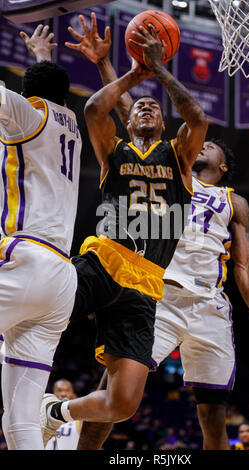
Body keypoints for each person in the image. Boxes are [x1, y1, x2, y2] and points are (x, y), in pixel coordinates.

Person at [55, 14, 249, 451]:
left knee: (214, 417)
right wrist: (113, 67)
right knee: (115, 387)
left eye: (210, 146)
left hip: (209, 304)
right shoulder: (167, 164)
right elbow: (128, 116)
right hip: (155, 289)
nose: (203, 144)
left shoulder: (233, 201)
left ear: (221, 165)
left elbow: (246, 265)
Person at [40, 13, 208, 446]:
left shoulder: (178, 156)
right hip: (104, 259)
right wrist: (136, 72)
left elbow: (197, 116)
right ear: (127, 123)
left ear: (165, 125)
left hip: (147, 284)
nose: (146, 106)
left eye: (153, 106)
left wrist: (159, 69)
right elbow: (96, 107)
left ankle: (56, 410)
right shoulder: (114, 150)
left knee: (124, 403)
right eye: (138, 107)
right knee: (39, 308)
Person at [0, 25, 82, 450]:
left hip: (27, 257)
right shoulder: (72, 126)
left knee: (20, 417)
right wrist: (40, 60)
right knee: (21, 418)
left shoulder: (27, 112)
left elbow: (25, 99)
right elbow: (49, 92)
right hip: (61, 280)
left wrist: (34, 67)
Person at [45, 379, 82, 450]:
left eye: (67, 391)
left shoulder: (80, 418)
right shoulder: (43, 415)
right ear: (52, 394)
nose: (63, 394)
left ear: (73, 395)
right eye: (59, 390)